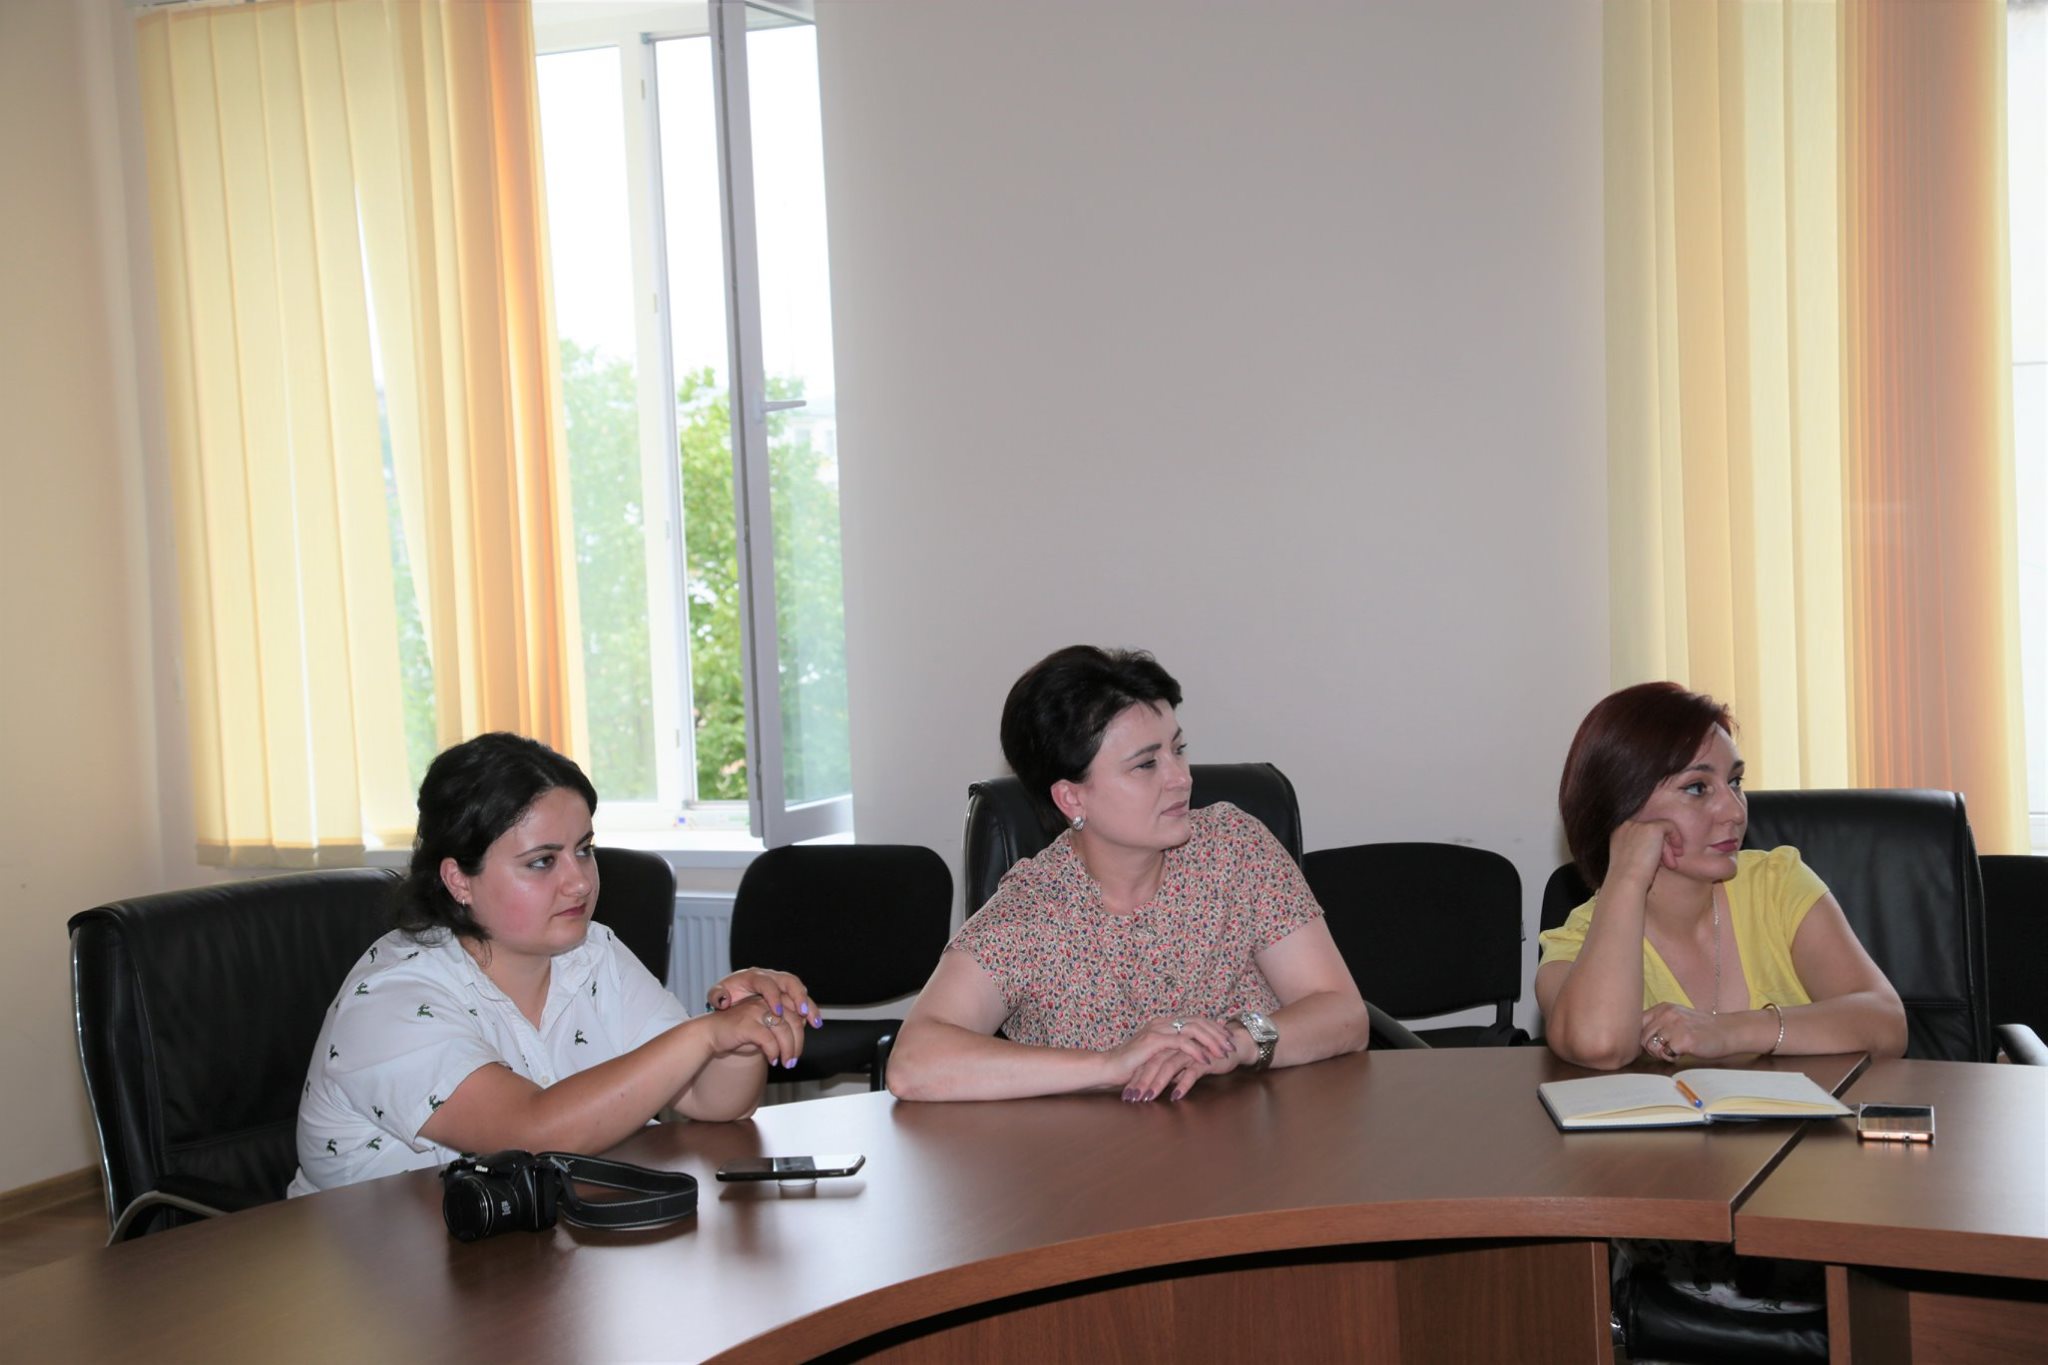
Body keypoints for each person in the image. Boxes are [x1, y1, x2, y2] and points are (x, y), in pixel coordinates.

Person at [290, 733, 818, 1194]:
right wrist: (704, 1035)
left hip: (522, 1252)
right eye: (542, 861)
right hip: (365, 1268)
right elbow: (530, 1133)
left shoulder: (592, 953)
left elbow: (710, 1098)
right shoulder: (391, 999)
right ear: (458, 880)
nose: (580, 882)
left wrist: (742, 1035)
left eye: (584, 850)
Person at [887, 646, 1370, 1103]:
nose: (1181, 777)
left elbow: (1342, 1013)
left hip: (1260, 1138)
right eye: (1146, 765)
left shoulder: (1235, 849)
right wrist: (1111, 1065)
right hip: (1102, 1157)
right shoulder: (1032, 914)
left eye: (1178, 749)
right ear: (1072, 798)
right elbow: (913, 1063)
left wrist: (1238, 1043)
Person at [1536, 682, 1907, 1071]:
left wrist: (1727, 1031)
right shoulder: (1577, 942)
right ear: (1622, 807)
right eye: (1697, 788)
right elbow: (1598, 1045)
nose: (1735, 811)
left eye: (1735, 782)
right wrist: (1627, 876)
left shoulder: (1777, 884)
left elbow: (1886, 1023)